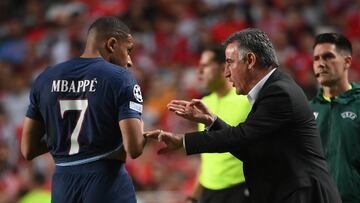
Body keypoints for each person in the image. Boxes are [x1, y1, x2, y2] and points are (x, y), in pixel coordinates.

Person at [146, 28, 342, 203]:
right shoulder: (273, 89)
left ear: (250, 60)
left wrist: (183, 142)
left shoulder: (279, 93)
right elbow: (248, 146)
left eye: (230, 63)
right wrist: (212, 122)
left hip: (305, 194)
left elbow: (242, 136)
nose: (227, 73)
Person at [21, 16, 145, 203]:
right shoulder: (121, 79)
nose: (130, 61)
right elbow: (134, 148)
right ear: (112, 44)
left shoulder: (45, 79)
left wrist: (65, 131)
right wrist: (141, 130)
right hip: (106, 183)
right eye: (128, 50)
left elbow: (27, 149)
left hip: (63, 186)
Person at [186, 46, 251, 203]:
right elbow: (206, 160)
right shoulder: (203, 105)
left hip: (241, 189)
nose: (199, 71)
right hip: (209, 193)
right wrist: (193, 197)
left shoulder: (247, 100)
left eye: (205, 66)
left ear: (223, 68)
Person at [310, 33, 360, 203]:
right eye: (316, 58)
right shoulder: (308, 110)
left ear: (347, 61)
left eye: (328, 56)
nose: (321, 63)